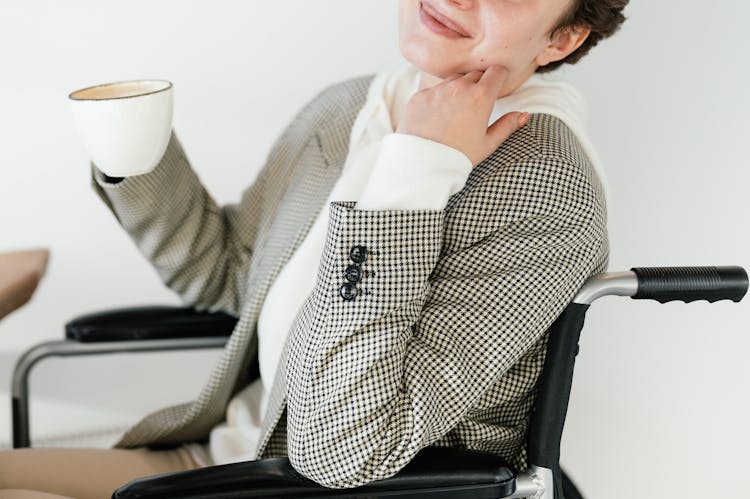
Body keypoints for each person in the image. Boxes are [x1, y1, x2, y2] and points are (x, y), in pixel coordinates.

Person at [0, 0, 628, 497]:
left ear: (562, 38)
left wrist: (413, 174)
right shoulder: (353, 108)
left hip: (338, 489)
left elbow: (347, 450)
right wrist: (130, 156)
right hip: (230, 458)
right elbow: (227, 276)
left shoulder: (545, 186)